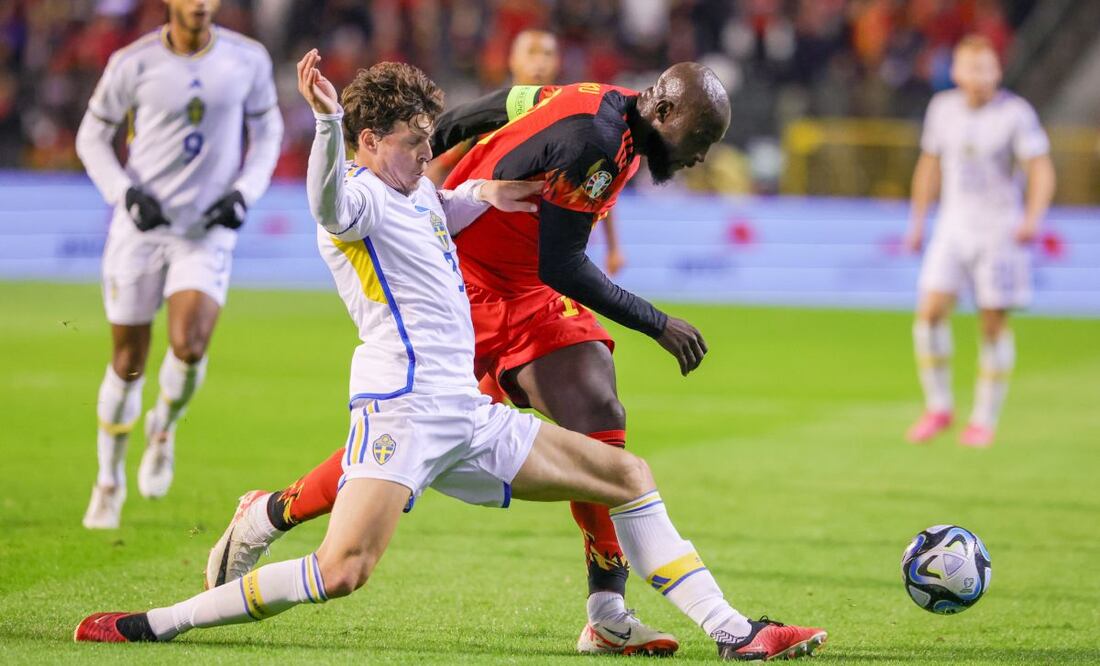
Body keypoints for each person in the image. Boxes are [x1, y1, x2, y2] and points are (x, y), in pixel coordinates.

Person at [75, 53, 827, 662]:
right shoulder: (358, 203)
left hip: (465, 416)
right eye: (415, 141)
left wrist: (490, 191)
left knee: (627, 470)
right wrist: (329, 124)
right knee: (344, 573)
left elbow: (454, 184)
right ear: (371, 144)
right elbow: (327, 199)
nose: (432, 153)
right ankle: (156, 623)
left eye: (431, 137)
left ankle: (734, 632)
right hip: (400, 411)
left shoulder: (421, 193)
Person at [204, 58, 729, 655]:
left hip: (528, 290)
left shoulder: (610, 107)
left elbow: (504, 102)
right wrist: (658, 324)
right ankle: (273, 510)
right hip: (469, 286)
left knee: (597, 413)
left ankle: (606, 609)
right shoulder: (599, 141)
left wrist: (439, 173)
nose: (703, 154)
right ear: (663, 112)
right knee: (413, 435)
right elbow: (563, 261)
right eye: (702, 139)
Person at [75, 0, 283, 529]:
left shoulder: (248, 59)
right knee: (129, 361)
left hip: (206, 229)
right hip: (142, 230)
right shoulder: (133, 62)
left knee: (189, 344)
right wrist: (124, 194)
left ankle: (162, 429)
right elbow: (90, 137)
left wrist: (244, 191)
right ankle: (108, 479)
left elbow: (269, 133)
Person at [904, 35, 1055, 447]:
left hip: (998, 231)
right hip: (952, 226)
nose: (979, 77)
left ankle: (984, 420)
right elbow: (929, 166)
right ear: (955, 72)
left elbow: (1040, 169)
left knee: (992, 323)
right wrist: (918, 222)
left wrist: (1032, 218)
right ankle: (938, 407)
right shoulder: (943, 109)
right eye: (972, 68)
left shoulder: (1015, 114)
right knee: (930, 312)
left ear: (998, 72)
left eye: (987, 68)